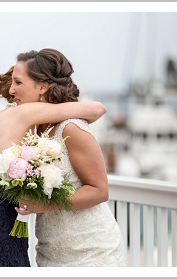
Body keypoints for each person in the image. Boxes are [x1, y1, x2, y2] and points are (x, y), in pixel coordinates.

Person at [0, 63, 108, 267]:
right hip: (2, 241)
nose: (13, 90)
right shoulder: (26, 113)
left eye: (18, 83)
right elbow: (97, 109)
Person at [8, 49, 125, 266]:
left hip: (91, 253)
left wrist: (44, 205)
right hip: (50, 251)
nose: (11, 89)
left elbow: (100, 190)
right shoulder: (34, 131)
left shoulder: (71, 128)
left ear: (42, 86)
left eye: (18, 82)